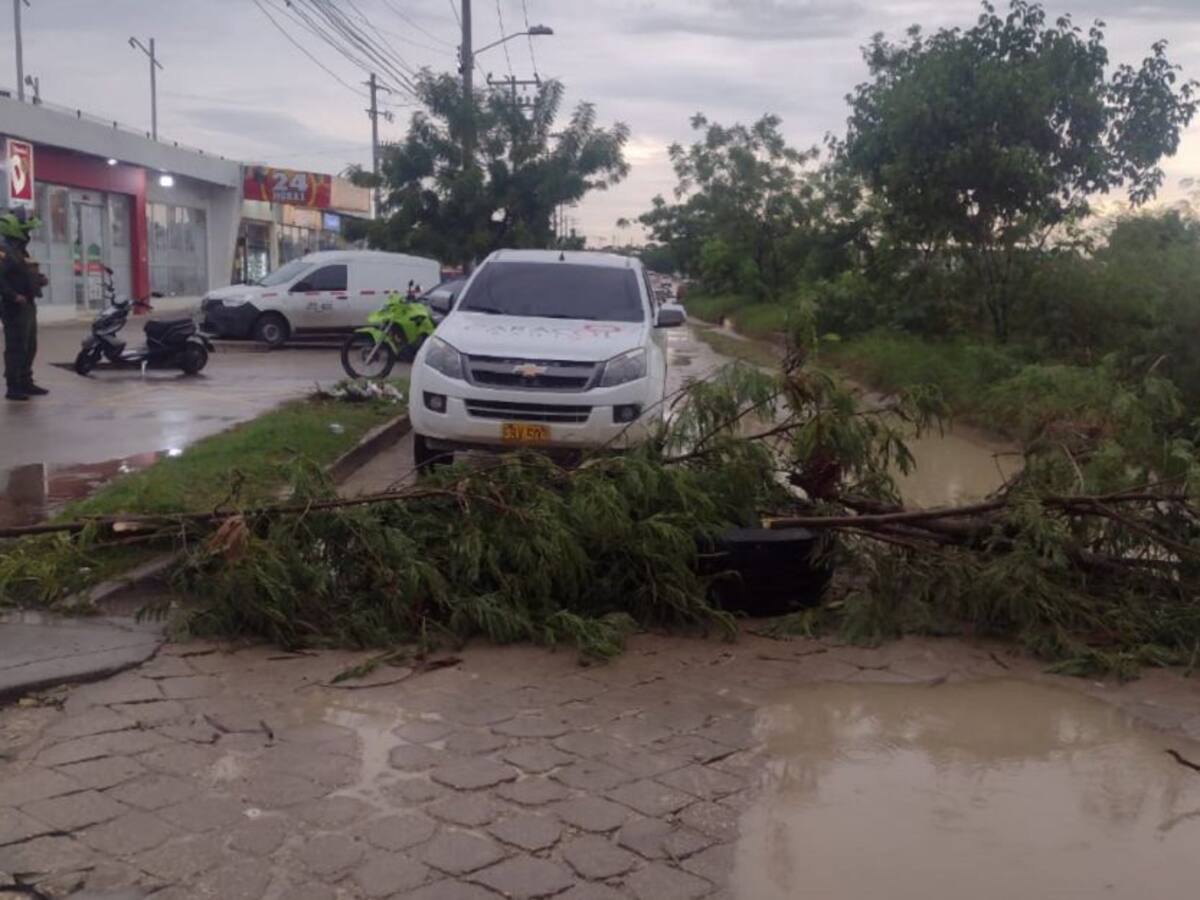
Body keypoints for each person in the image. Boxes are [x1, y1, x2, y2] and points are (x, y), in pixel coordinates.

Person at [0, 207, 47, 401]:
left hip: (28, 303)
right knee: (17, 347)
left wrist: (40, 279)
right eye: (26, 230)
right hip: (14, 306)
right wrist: (13, 296)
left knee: (30, 345)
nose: (29, 233)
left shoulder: (20, 249)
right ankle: (14, 386)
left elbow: (26, 271)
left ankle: (26, 381)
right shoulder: (4, 250)